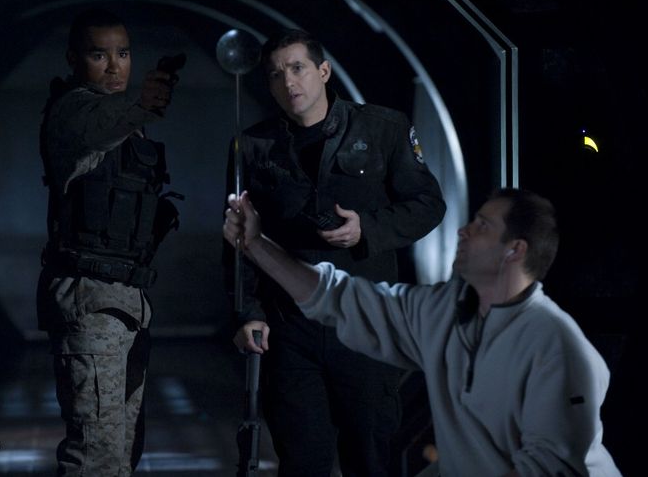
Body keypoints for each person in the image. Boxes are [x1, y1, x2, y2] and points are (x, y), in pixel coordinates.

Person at [223, 188, 623, 477]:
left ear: (514, 250)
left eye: (482, 226)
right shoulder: (445, 312)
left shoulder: (556, 348)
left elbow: (547, 469)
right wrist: (254, 244)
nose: (464, 231)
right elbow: (339, 297)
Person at [224, 27, 446, 476]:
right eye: (276, 74)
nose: (289, 82)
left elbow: (428, 205)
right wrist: (248, 312)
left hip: (364, 320)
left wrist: (368, 229)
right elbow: (237, 236)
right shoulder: (253, 146)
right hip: (290, 326)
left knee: (371, 456)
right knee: (301, 458)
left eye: (298, 68)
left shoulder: (383, 128)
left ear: (323, 71)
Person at [37, 8, 181, 476]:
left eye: (123, 53)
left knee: (121, 454)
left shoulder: (126, 122)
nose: (115, 66)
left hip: (127, 302)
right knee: (94, 455)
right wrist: (141, 104)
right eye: (100, 55)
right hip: (90, 300)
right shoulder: (74, 111)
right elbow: (98, 123)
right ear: (74, 60)